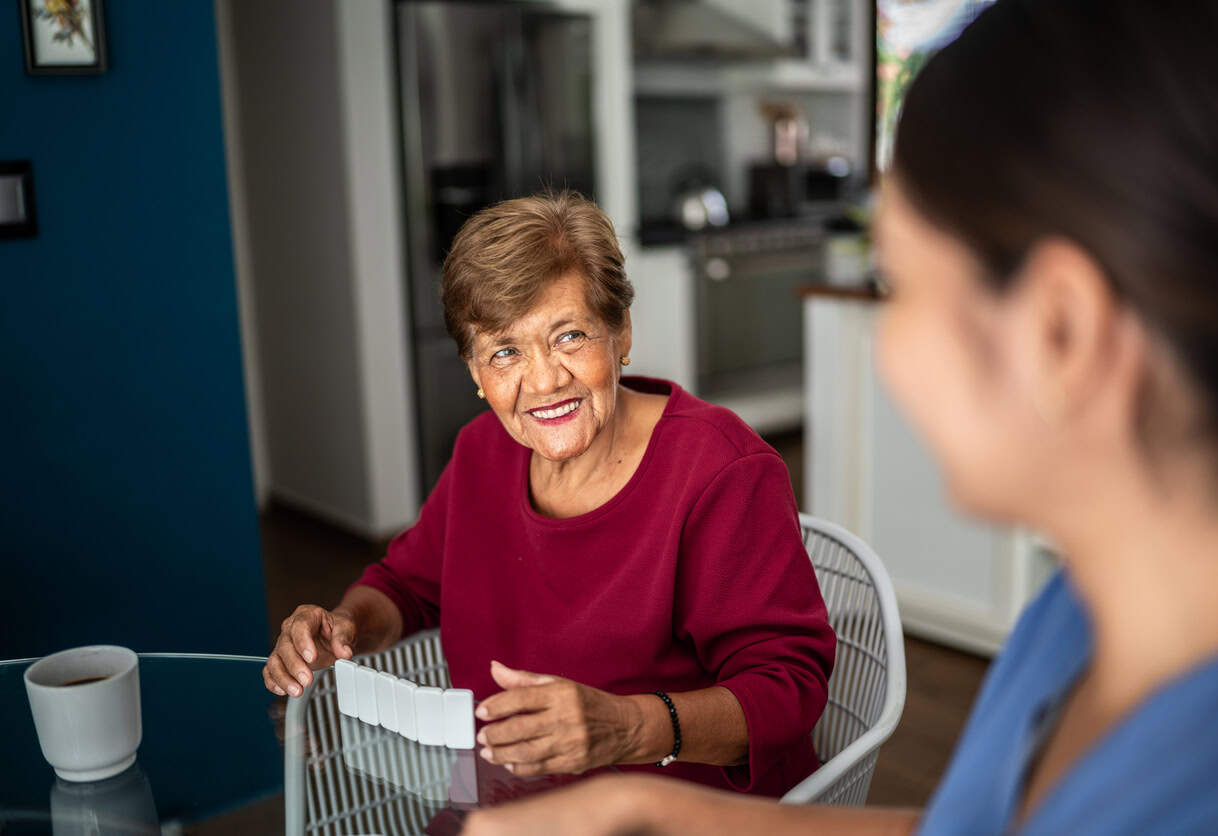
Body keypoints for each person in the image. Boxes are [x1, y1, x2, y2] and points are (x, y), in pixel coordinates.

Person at [462, 0, 1218, 832]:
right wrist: (643, 803)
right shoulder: (1080, 613)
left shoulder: (1215, 791)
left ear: (1062, 331)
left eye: (896, 286)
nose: (885, 349)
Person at [263, 191, 837, 797]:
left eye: (569, 336)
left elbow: (789, 689)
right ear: (475, 371)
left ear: (620, 331)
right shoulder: (481, 451)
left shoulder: (721, 471)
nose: (542, 381)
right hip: (510, 806)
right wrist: (345, 626)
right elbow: (406, 585)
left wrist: (628, 728)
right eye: (505, 352)